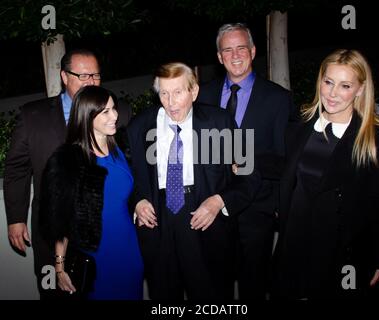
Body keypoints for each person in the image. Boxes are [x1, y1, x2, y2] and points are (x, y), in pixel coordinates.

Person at [3, 48, 131, 298]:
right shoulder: (33, 116)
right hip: (54, 232)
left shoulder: (118, 112)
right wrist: (16, 218)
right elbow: (17, 168)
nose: (91, 82)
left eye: (95, 75)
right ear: (64, 76)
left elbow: (131, 167)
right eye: (83, 76)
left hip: (108, 235)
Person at [272, 49, 379, 299]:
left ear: (360, 89)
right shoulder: (303, 125)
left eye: (345, 86)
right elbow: (288, 169)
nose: (332, 93)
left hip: (340, 251)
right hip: (294, 242)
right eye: (328, 82)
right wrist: (242, 161)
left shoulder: (374, 139)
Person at [127, 62, 260, 300]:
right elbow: (128, 176)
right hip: (159, 223)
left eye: (178, 92)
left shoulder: (221, 121)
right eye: (164, 93)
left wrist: (219, 201)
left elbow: (250, 173)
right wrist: (137, 200)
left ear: (194, 92)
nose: (171, 101)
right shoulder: (138, 126)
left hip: (207, 220)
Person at [197, 23, 296, 299]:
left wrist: (247, 162)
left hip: (257, 209)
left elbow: (286, 158)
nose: (235, 54)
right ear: (219, 57)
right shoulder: (202, 96)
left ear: (253, 51)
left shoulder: (278, 99)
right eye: (227, 49)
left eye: (241, 47)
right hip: (212, 208)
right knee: (216, 286)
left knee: (254, 284)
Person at [40, 85, 143, 299]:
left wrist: (140, 205)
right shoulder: (68, 161)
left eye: (113, 108)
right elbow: (60, 222)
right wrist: (59, 268)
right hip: (95, 257)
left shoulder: (122, 148)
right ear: (87, 116)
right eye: (105, 111)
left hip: (129, 249)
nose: (114, 115)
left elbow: (131, 193)